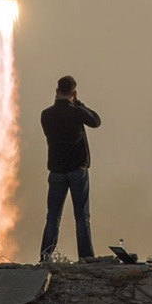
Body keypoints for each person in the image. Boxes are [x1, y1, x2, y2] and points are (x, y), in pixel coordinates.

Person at [39, 75, 101, 261]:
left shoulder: (46, 114)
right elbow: (96, 121)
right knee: (81, 217)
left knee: (53, 216)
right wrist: (78, 103)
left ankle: (45, 256)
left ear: (57, 91)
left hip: (56, 170)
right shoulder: (76, 112)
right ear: (73, 93)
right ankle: (86, 257)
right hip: (77, 170)